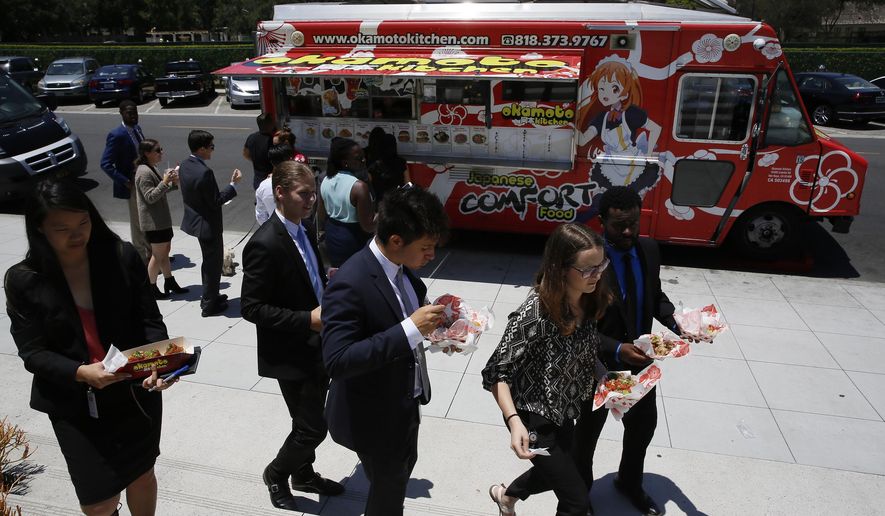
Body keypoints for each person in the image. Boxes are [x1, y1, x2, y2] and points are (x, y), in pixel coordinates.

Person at [4, 180, 177, 516]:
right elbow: (33, 352)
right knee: (98, 503)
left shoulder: (120, 256)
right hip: (75, 405)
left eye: (83, 223)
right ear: (39, 228)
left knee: (142, 475)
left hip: (132, 392)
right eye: (62, 228)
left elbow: (150, 321)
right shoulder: (25, 280)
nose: (76, 235)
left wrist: (157, 363)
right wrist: (80, 372)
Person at [321, 185, 448, 516]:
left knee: (401, 472)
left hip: (405, 402)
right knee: (389, 491)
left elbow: (400, 316)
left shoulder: (403, 270)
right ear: (395, 241)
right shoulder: (350, 281)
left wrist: (436, 328)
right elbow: (338, 360)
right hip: (374, 417)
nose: (431, 255)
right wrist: (410, 329)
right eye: (426, 248)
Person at [482, 223, 611, 516]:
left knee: (552, 474)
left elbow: (588, 353)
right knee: (576, 500)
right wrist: (514, 421)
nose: (597, 275)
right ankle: (508, 497)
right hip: (533, 416)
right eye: (588, 269)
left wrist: (606, 378)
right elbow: (497, 372)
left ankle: (506, 496)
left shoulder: (588, 298)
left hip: (566, 409)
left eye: (601, 265)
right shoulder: (535, 312)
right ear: (560, 268)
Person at [241, 161, 344, 511]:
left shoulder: (303, 228)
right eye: (304, 193)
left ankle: (303, 473)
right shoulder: (264, 243)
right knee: (313, 428)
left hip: (318, 345)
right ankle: (276, 473)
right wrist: (307, 319)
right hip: (291, 352)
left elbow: (306, 279)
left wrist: (328, 282)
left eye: (313, 193)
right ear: (280, 193)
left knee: (306, 420)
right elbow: (252, 308)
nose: (312, 199)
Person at [574, 186, 681, 516]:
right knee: (585, 439)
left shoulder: (648, 250)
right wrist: (618, 348)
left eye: (633, 223)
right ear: (602, 221)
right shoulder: (586, 260)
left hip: (638, 367)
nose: (627, 232)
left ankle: (629, 483)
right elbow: (575, 324)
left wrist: (680, 322)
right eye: (619, 225)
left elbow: (656, 297)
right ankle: (581, 497)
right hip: (596, 368)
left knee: (641, 429)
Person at [178, 130, 242, 317]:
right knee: (213, 265)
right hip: (208, 226)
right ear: (201, 149)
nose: (213, 150)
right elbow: (215, 200)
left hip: (196, 222)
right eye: (211, 147)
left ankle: (211, 296)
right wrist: (233, 185)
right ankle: (209, 305)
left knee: (209, 263)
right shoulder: (205, 172)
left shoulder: (185, 165)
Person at [133, 139, 189, 299]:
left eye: (161, 149)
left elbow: (160, 191)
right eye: (157, 150)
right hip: (153, 223)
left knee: (165, 252)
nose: (161, 153)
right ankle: (150, 287)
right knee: (157, 256)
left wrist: (172, 183)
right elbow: (150, 196)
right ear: (147, 153)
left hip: (161, 220)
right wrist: (165, 181)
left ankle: (169, 280)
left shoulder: (152, 168)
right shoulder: (143, 172)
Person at [100, 99, 151, 264]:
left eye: (135, 112)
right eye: (129, 113)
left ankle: (152, 254)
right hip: (132, 184)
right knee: (138, 223)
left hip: (145, 180)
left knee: (148, 219)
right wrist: (124, 181)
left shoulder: (137, 129)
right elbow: (105, 164)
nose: (134, 116)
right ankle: (142, 259)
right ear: (121, 113)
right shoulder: (117, 135)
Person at [317, 138, 375, 267]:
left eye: (364, 157)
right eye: (358, 158)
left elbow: (321, 216)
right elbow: (368, 226)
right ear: (345, 163)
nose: (363, 160)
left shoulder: (325, 180)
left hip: (332, 236)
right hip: (354, 240)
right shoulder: (359, 187)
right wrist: (383, 212)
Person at [255, 143, 295, 226]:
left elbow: (260, 215)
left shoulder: (263, 186)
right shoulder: (299, 182)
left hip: (273, 231)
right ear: (290, 160)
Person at [368, 133, 409, 205]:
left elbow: (368, 184)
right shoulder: (401, 162)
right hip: (397, 203)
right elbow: (408, 183)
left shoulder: (374, 164)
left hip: (379, 203)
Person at [243, 112, 277, 189]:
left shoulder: (251, 137)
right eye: (272, 121)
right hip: (270, 177)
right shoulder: (272, 141)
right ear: (269, 124)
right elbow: (277, 160)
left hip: (257, 177)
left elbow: (245, 154)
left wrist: (257, 160)